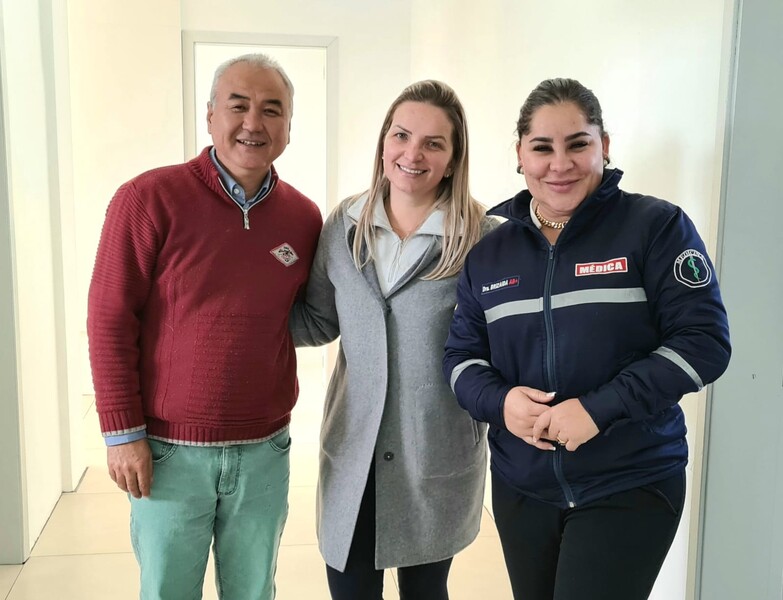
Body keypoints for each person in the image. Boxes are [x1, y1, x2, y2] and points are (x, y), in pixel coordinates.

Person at [443, 77, 731, 600]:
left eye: (578, 144)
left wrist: (599, 409)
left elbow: (703, 342)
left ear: (604, 145)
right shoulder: (490, 253)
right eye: (542, 147)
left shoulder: (656, 227)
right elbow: (462, 358)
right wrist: (501, 403)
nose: (560, 164)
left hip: (630, 481)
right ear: (519, 155)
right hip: (522, 487)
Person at [87, 53, 322, 599]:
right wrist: (123, 434)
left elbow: (303, 316)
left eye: (272, 110)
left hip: (265, 450)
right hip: (168, 452)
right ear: (210, 114)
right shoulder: (148, 199)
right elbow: (109, 318)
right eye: (238, 106)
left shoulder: (304, 218)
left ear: (289, 126)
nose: (253, 123)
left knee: (253, 592)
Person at [289, 80, 493, 600]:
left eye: (433, 143)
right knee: (350, 587)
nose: (412, 154)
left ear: (453, 159)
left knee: (426, 591)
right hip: (354, 447)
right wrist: (235, 312)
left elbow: (505, 346)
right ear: (383, 141)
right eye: (401, 135)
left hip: (434, 450)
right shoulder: (344, 226)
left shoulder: (482, 238)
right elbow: (318, 321)